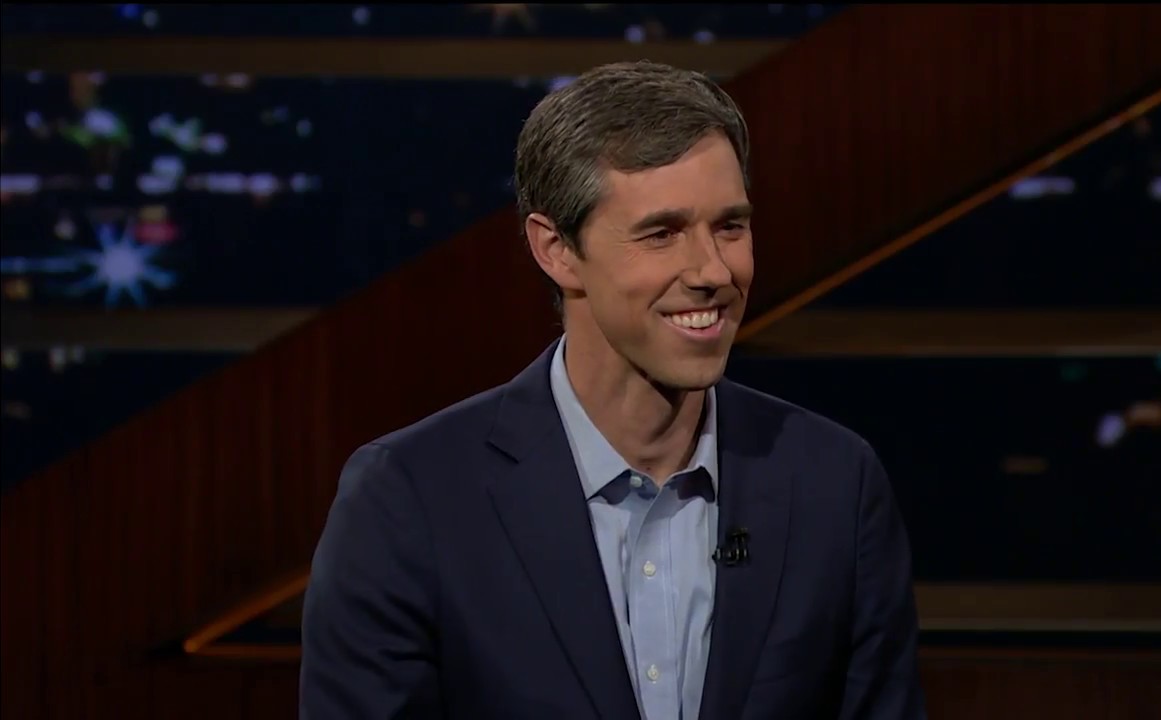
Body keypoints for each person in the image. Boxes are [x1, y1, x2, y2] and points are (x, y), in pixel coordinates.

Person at [300, 61, 925, 720]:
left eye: (730, 227)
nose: (712, 270)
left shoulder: (833, 483)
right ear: (557, 250)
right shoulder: (410, 500)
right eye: (662, 233)